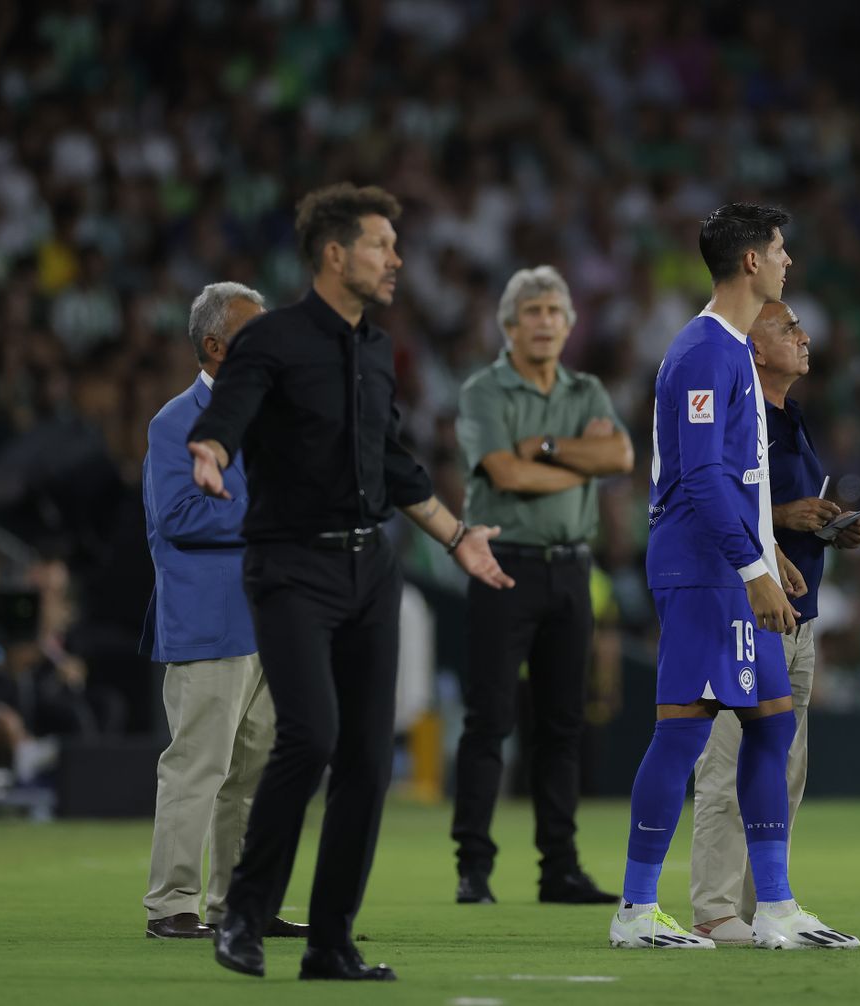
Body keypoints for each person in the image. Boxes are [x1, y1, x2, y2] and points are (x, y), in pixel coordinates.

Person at [186, 183, 514, 981]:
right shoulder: (270, 340)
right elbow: (230, 409)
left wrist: (457, 535)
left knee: (368, 759)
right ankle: (244, 915)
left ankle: (331, 943)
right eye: (381, 245)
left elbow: (395, 465)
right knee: (312, 736)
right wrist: (212, 451)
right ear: (335, 255)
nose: (397, 259)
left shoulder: (375, 348)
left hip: (373, 566)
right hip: (292, 565)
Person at [610, 202, 858, 951]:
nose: (787, 260)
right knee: (683, 735)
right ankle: (635, 910)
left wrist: (764, 548)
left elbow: (740, 478)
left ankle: (776, 906)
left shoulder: (728, 352)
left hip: (729, 562)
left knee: (771, 724)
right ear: (751, 260)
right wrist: (752, 565)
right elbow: (699, 475)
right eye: (780, 249)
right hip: (699, 566)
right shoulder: (702, 351)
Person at [688, 300, 860, 944]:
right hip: (743, 606)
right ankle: (713, 910)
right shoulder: (739, 414)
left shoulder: (790, 414)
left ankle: (762, 906)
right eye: (786, 328)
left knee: (784, 768)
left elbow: (781, 509)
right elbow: (704, 500)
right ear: (754, 349)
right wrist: (784, 515)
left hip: (800, 609)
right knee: (729, 759)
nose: (804, 335)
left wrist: (825, 527)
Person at [450, 265, 633, 906]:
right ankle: (473, 867)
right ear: (508, 325)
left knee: (562, 723)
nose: (545, 322)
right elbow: (505, 473)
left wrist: (546, 450)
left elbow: (619, 459)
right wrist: (570, 464)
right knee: (491, 719)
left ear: (570, 324)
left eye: (555, 311)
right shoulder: (484, 390)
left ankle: (559, 868)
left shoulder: (586, 389)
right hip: (503, 564)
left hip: (571, 567)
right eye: (533, 311)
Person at [139, 282, 304, 942]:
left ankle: (239, 903)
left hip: (271, 620)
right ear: (214, 346)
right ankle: (171, 903)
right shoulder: (176, 422)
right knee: (197, 768)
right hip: (208, 623)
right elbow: (176, 516)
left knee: (253, 776)